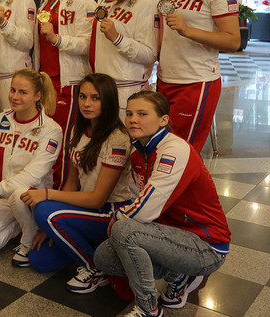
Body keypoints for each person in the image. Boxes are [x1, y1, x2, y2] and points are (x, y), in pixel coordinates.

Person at [94, 91, 230, 317]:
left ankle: (148, 309)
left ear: (163, 120)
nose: (133, 119)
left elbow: (145, 211)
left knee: (124, 229)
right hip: (171, 236)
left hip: (207, 246)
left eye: (142, 114)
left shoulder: (174, 149)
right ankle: (178, 276)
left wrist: (118, 218)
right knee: (103, 257)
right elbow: (139, 203)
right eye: (129, 114)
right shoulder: (139, 152)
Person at [23, 73, 132, 294]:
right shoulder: (79, 129)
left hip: (111, 213)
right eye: (83, 96)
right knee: (40, 260)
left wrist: (49, 201)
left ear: (108, 100)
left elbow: (97, 199)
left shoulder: (117, 139)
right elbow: (72, 183)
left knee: (44, 210)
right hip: (85, 209)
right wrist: (50, 228)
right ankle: (96, 248)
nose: (86, 103)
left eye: (95, 98)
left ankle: (95, 267)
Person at [157, 0, 240, 152]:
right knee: (164, 149)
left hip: (196, 80)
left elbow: (233, 41)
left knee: (181, 153)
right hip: (166, 77)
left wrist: (188, 30)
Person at [0, 69, 61, 265]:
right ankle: (18, 227)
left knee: (19, 194)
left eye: (23, 92)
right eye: (13, 90)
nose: (15, 97)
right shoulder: (0, 119)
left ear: (37, 96)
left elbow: (33, 175)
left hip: (30, 200)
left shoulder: (51, 129)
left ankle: (27, 239)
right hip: (0, 197)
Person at [34, 0, 96, 188]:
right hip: (45, 78)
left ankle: (61, 191)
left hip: (67, 81)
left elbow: (87, 44)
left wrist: (56, 38)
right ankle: (44, 187)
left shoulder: (83, 1)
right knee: (45, 137)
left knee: (61, 139)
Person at [90, 0, 159, 118]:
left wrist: (117, 38)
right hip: (102, 84)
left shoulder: (148, 2)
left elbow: (150, 54)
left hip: (128, 88)